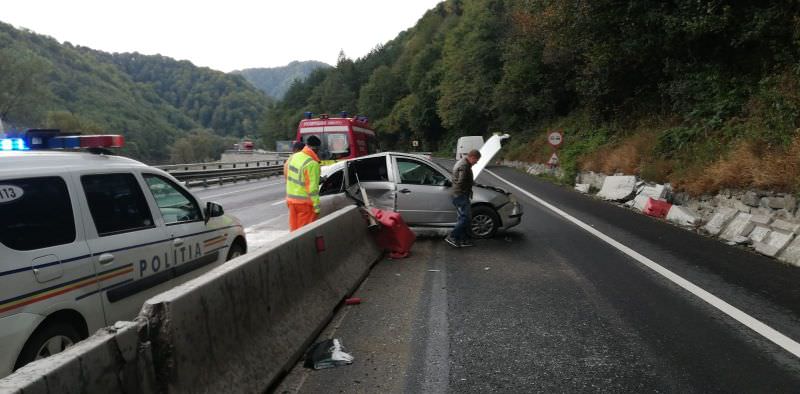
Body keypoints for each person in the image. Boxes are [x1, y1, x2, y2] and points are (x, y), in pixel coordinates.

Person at [445, 149, 481, 248]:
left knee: (464, 217)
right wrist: (467, 190)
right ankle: (452, 236)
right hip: (460, 195)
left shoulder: (463, 163)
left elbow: (462, 179)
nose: (476, 162)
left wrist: (473, 184)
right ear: (472, 157)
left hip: (459, 194)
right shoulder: (464, 166)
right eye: (476, 160)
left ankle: (462, 240)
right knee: (466, 217)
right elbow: (461, 181)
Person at [285, 136, 322, 231]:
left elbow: (287, 176)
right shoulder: (312, 164)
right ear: (317, 148)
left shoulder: (293, 157)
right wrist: (317, 208)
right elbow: (313, 189)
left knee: (294, 231)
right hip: (305, 205)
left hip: (291, 201)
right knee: (305, 233)